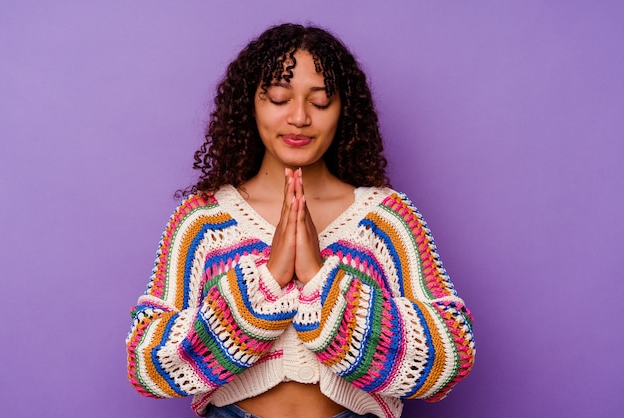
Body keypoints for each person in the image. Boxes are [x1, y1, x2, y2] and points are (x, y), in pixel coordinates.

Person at [126, 23, 475, 418]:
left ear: (345, 110)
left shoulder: (385, 218)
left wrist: (319, 279)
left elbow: (451, 354)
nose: (299, 117)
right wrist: (267, 281)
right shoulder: (202, 219)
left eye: (321, 102)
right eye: (278, 98)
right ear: (250, 105)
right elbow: (148, 362)